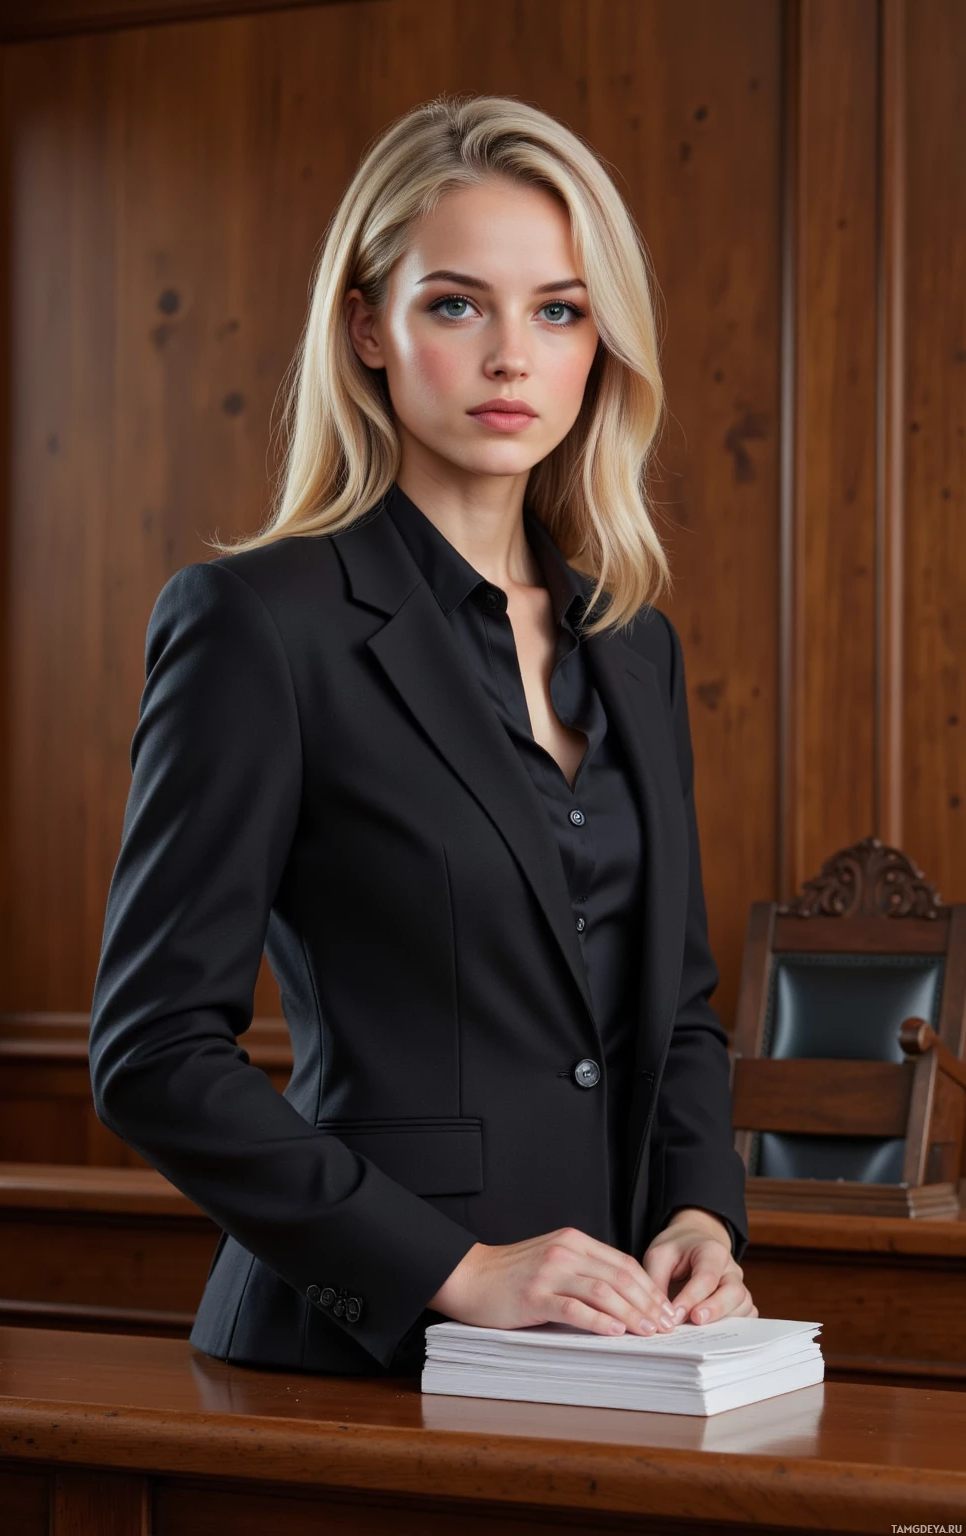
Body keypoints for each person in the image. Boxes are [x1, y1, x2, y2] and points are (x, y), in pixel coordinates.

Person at [89, 92, 755, 1377]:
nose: (513, 355)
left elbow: (675, 1009)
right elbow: (153, 1051)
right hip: (353, 1349)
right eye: (457, 304)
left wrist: (697, 1212)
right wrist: (455, 1270)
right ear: (368, 329)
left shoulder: (634, 647)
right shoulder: (257, 626)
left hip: (615, 1349)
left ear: (598, 345)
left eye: (557, 310)